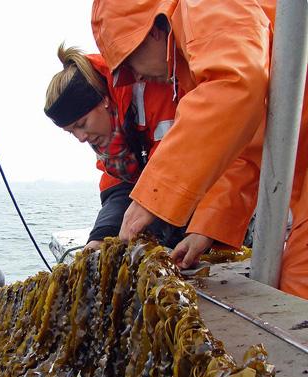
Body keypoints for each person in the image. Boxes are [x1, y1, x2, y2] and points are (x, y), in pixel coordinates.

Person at [91, 0, 308, 299]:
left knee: (299, 293)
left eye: (129, 65)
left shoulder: (206, 6)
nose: (137, 78)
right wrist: (205, 228)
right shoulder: (199, 57)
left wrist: (150, 199)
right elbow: (246, 146)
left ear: (152, 32)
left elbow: (237, 85)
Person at [44, 44, 186, 250]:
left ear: (103, 101)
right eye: (71, 132)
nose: (81, 138)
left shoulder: (152, 93)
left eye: (81, 124)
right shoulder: (109, 140)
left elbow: (174, 167)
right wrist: (102, 235)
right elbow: (118, 187)